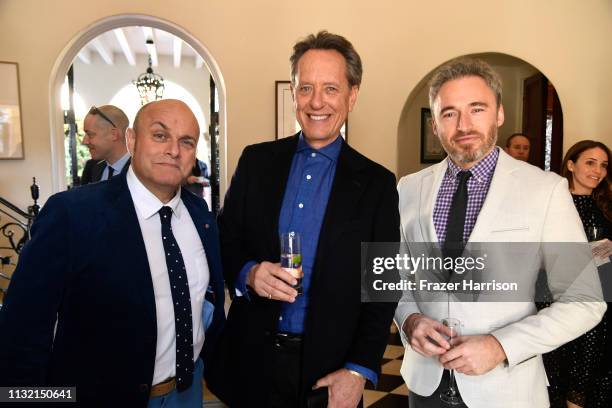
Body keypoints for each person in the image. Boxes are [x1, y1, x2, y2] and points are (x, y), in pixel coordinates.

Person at [394, 58, 606, 408]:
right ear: (435, 125)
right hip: (424, 385)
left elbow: (585, 300)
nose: (464, 124)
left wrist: (500, 346)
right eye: (449, 113)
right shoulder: (409, 188)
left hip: (507, 389)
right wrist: (409, 319)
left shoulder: (546, 190)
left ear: (499, 114)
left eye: (477, 109)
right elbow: (394, 275)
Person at [206, 31, 400, 407]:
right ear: (293, 93)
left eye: (330, 89)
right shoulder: (255, 162)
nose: (316, 102)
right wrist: (248, 272)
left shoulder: (377, 184)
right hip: (250, 362)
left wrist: (359, 370)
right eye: (306, 88)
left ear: (352, 95)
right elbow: (225, 239)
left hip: (330, 372)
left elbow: (381, 285)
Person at [0, 99, 225, 408]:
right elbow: (22, 329)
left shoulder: (200, 214)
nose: (174, 149)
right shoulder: (71, 214)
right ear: (131, 140)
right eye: (160, 135)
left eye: (186, 141)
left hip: (187, 392)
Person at [544, 140, 611, 408]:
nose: (598, 171)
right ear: (571, 165)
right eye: (590, 162)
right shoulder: (553, 204)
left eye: (604, 165)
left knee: (589, 372)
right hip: (555, 299)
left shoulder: (607, 205)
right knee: (555, 371)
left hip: (600, 300)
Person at [80, 104, 131, 184]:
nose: (84, 141)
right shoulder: (92, 168)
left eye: (90, 134)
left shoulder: (141, 171)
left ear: (114, 134)